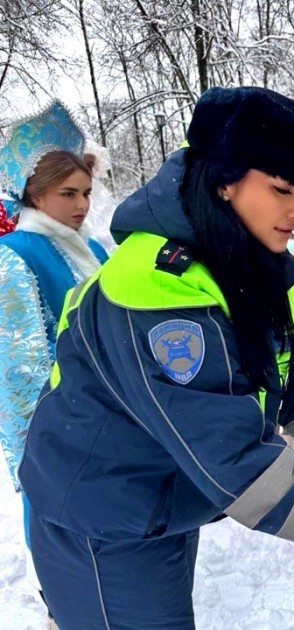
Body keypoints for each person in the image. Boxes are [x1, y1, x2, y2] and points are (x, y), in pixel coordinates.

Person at [18, 87, 294, 629]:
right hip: (101, 517)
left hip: (161, 497)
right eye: (281, 190)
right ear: (223, 180)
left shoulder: (263, 266)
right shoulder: (154, 288)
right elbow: (238, 462)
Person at [0, 101, 108, 629]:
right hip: (60, 430)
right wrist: (52, 436)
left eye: (86, 192)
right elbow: (18, 365)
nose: (82, 204)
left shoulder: (94, 251)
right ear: (34, 194)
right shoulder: (14, 254)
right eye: (68, 193)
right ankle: (61, 608)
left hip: (112, 423)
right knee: (61, 529)